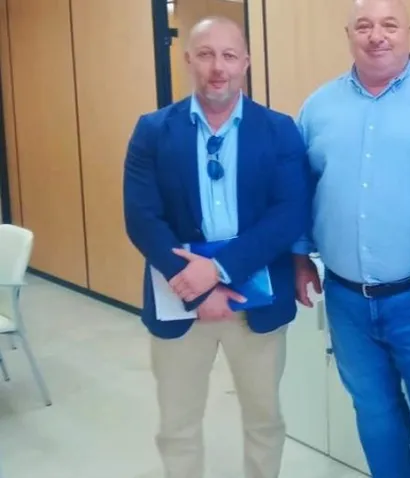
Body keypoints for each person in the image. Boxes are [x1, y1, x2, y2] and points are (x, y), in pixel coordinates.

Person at [292, 0, 410, 477]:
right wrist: (299, 256)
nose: (377, 36)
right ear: (349, 34)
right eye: (364, 25)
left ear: (408, 31)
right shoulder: (317, 108)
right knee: (375, 418)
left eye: (389, 25)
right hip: (347, 302)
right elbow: (300, 190)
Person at [122, 16, 311, 478]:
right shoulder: (152, 131)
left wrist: (219, 270)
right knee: (177, 427)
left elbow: (289, 213)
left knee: (265, 421)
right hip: (179, 298)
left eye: (229, 55)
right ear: (188, 60)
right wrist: (197, 288)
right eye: (206, 54)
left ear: (246, 62)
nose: (218, 68)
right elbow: (142, 219)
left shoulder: (280, 129)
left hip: (257, 300)